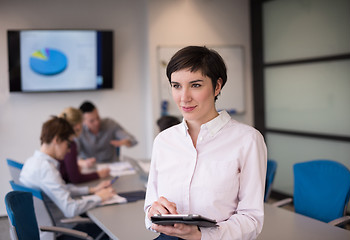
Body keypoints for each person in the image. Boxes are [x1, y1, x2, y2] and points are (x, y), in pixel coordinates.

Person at [144, 46, 267, 240]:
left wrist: (202, 235)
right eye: (176, 86)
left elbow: (251, 219)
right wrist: (153, 212)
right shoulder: (163, 141)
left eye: (195, 85)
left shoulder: (247, 140)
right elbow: (150, 208)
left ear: (217, 86)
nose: (184, 97)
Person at [19, 116, 116, 225]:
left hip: (44, 226)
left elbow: (61, 188)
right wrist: (99, 197)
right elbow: (70, 209)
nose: (69, 150)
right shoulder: (46, 169)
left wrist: (91, 190)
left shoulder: (31, 162)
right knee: (109, 223)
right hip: (61, 229)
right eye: (68, 144)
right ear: (57, 140)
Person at [58, 107, 110, 184]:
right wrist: (98, 174)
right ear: (78, 126)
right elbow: (76, 179)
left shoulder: (58, 139)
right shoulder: (70, 144)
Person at [77, 101, 138, 166]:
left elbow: (133, 140)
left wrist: (126, 142)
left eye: (98, 117)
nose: (97, 122)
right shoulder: (79, 131)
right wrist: (83, 163)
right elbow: (74, 155)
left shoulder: (110, 124)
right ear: (83, 121)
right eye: (92, 121)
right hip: (91, 168)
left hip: (112, 167)